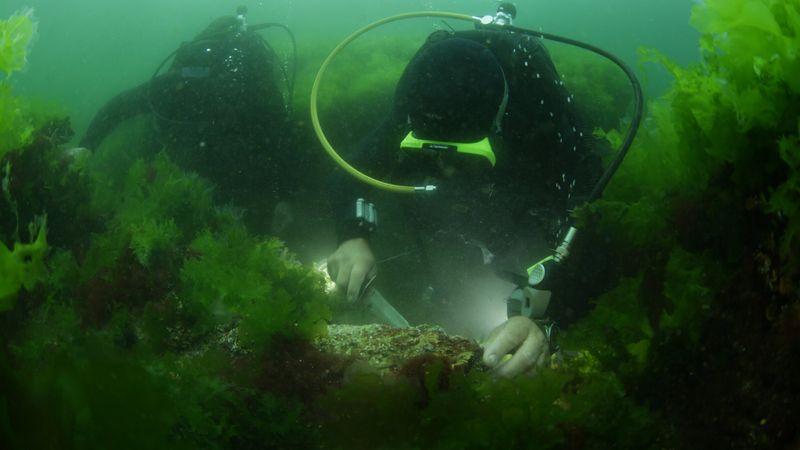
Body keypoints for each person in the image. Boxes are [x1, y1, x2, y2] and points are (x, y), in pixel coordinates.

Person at [326, 6, 605, 378]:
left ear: (497, 125)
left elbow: (588, 216)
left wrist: (544, 316)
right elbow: (354, 171)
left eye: (468, 159)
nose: (448, 171)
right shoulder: (417, 105)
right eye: (429, 153)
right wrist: (354, 234)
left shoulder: (539, 116)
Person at [80, 11, 296, 234]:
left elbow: (121, 105)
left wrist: (87, 145)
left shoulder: (182, 84)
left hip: (186, 186)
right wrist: (284, 198)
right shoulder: (258, 91)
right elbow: (284, 143)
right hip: (239, 190)